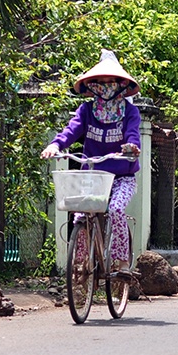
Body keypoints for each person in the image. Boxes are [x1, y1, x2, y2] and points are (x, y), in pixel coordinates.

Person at [41, 49, 142, 275]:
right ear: (93, 84)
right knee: (80, 215)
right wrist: (55, 145)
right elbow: (72, 130)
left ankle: (121, 262)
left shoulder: (130, 112)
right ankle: (80, 263)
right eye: (100, 81)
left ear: (120, 84)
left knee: (116, 209)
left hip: (121, 177)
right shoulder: (86, 110)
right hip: (93, 177)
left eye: (110, 81)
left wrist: (132, 148)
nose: (105, 85)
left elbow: (133, 135)